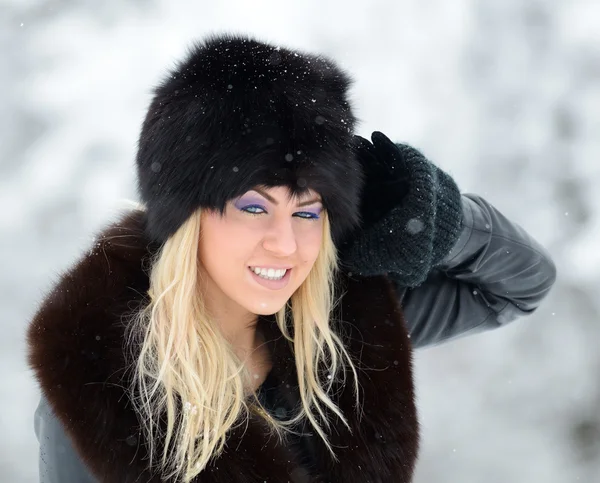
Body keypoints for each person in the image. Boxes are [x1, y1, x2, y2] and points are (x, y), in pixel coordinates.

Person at [27, 33, 557, 483]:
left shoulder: (341, 331)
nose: (285, 243)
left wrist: (437, 217)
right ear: (186, 216)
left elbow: (518, 285)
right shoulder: (98, 395)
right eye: (254, 206)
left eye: (308, 211)